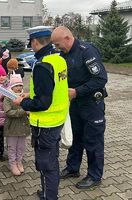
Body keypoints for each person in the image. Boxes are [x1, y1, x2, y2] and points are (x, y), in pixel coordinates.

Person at [13, 26, 69, 200]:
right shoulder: (59, 59)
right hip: (57, 119)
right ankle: (48, 192)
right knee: (51, 160)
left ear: (35, 42)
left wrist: (23, 102)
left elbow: (42, 103)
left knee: (47, 165)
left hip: (45, 123)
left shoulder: (42, 65)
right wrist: (30, 94)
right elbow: (53, 89)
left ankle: (49, 196)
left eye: (31, 42)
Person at [51, 26, 108, 189]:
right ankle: (72, 168)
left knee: (93, 140)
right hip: (74, 104)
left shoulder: (87, 51)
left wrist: (77, 91)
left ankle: (94, 175)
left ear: (67, 38)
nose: (56, 48)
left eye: (57, 44)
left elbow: (100, 79)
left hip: (91, 104)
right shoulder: (63, 55)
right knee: (75, 137)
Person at [3, 74, 30, 176]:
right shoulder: (8, 97)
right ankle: (12, 163)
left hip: (22, 125)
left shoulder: (24, 96)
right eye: (16, 86)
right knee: (12, 146)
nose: (19, 88)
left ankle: (19, 161)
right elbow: (8, 112)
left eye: (20, 85)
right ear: (11, 87)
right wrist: (24, 111)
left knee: (21, 146)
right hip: (12, 126)